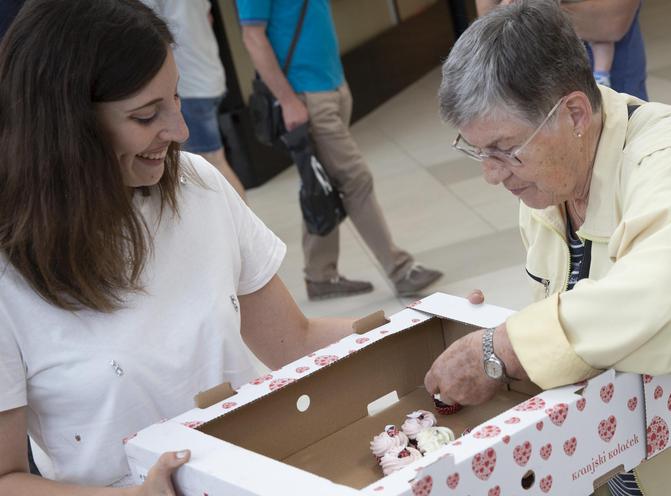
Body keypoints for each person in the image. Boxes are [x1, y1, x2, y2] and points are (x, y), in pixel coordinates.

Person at [0, 0, 355, 492]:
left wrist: (428, 326)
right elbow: (8, 477)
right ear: (64, 127)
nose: (180, 132)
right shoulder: (9, 272)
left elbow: (294, 341)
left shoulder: (198, 185)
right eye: (146, 116)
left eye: (177, 99)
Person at [427, 1, 671, 494]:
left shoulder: (666, 159)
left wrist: (504, 346)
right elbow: (581, 318)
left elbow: (660, 289)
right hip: (617, 461)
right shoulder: (550, 182)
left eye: (504, 148)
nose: (492, 173)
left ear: (575, 113)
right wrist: (498, 334)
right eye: (479, 151)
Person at [236, 0, 443, 301]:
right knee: (356, 178)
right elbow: (252, 37)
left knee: (320, 182)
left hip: (332, 85)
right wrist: (288, 99)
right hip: (305, 96)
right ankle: (400, 269)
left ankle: (320, 275)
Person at [141, 0, 247, 201]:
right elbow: (209, 18)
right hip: (210, 76)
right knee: (214, 161)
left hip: (190, 87)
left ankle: (243, 225)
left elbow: (143, 29)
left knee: (211, 163)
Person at [475, 0, 648, 100]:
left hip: (607, 81)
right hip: (527, 78)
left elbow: (610, 23)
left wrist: (525, 12)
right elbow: (490, 21)